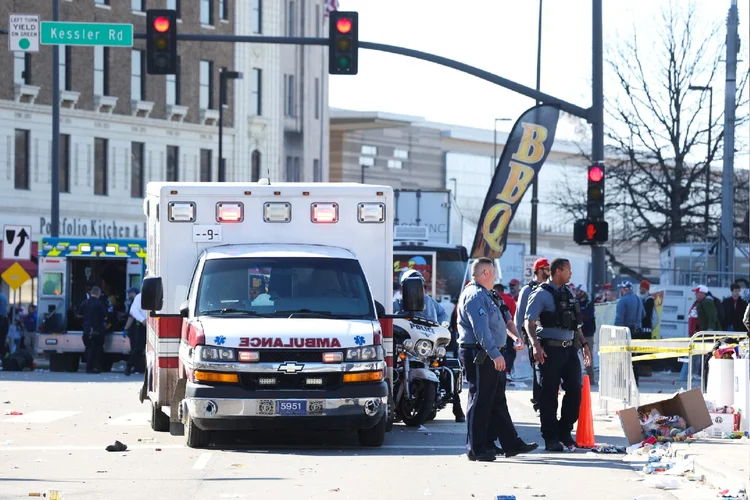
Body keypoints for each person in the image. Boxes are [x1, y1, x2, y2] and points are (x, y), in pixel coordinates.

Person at [457, 257, 538, 462]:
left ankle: (509, 443)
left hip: (492, 352)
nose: (495, 276)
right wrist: (495, 353)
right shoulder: (475, 295)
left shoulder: (491, 295)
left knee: (496, 400)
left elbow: (506, 320)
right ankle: (476, 448)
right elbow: (481, 330)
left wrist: (514, 338)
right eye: (493, 272)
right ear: (486, 273)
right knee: (480, 400)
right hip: (480, 354)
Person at [525, 258, 592, 452]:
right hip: (549, 350)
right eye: (568, 270)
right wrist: (536, 346)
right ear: (558, 271)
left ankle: (565, 432)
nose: (571, 274)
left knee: (575, 392)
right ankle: (551, 437)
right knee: (549, 396)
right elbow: (529, 323)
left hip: (570, 349)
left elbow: (576, 324)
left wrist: (584, 344)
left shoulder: (568, 293)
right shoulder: (540, 294)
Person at [515, 257, 550, 413]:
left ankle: (540, 399)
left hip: (549, 336)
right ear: (540, 270)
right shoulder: (527, 290)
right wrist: (519, 338)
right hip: (533, 336)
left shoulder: (550, 288)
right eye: (547, 268)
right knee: (539, 368)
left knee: (544, 370)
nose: (550, 271)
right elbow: (519, 315)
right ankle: (540, 401)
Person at [77, 286, 108, 374]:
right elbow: (105, 317)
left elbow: (79, 315)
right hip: (97, 330)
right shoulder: (100, 304)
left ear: (91, 293)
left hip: (86, 329)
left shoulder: (84, 302)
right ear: (98, 294)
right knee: (96, 350)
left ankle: (90, 366)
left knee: (88, 348)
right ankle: (91, 367)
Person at [123, 287, 147, 376]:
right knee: (138, 348)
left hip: (154, 324)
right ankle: (129, 365)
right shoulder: (139, 297)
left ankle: (140, 368)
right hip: (141, 325)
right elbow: (133, 312)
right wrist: (143, 320)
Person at [576, 285, 596, 384]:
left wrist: (579, 315)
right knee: (573, 356)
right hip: (576, 333)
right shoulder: (576, 302)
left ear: (583, 292)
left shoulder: (589, 303)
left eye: (579, 291)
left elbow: (587, 316)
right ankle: (575, 378)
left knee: (588, 356)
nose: (577, 293)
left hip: (587, 333)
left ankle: (590, 378)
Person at [0, 289, 9, 359]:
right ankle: (3, 355)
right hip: (4, 320)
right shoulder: (3, 296)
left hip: (1, 319)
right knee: (3, 339)